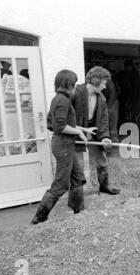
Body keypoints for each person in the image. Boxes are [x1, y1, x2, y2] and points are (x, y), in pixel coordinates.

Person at [31, 70, 96, 225]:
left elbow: (61, 123)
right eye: (74, 84)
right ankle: (39, 218)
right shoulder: (63, 101)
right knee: (60, 184)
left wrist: (85, 129)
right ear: (68, 84)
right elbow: (60, 127)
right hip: (64, 146)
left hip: (68, 145)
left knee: (78, 177)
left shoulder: (59, 99)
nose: (75, 87)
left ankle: (78, 212)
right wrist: (79, 133)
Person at [71, 66, 120, 195]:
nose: (104, 87)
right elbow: (64, 117)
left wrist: (104, 137)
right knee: (78, 165)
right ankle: (76, 197)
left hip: (92, 132)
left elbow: (104, 120)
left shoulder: (101, 98)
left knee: (102, 160)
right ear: (95, 81)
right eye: (103, 83)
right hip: (76, 134)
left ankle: (104, 186)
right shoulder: (75, 93)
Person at [115, 60, 140, 126]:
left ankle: (134, 125)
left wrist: (131, 99)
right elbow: (116, 77)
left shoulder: (135, 74)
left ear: (131, 67)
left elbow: (135, 87)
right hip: (125, 96)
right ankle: (125, 124)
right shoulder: (123, 74)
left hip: (135, 97)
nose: (127, 69)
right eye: (126, 67)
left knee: (134, 114)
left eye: (128, 67)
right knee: (124, 112)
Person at [102, 76, 119, 143]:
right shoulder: (102, 84)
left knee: (113, 123)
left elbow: (112, 96)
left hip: (113, 104)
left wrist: (107, 108)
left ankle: (114, 139)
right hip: (106, 103)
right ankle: (106, 139)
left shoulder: (110, 84)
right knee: (106, 122)